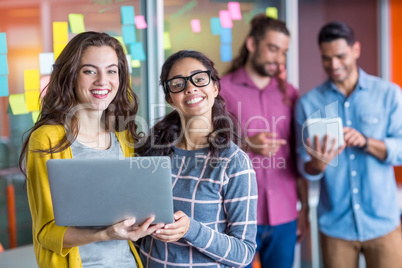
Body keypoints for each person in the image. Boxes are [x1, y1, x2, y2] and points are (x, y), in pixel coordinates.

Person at [19, 31, 162, 268]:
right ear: (71, 76)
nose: (102, 81)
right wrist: (104, 234)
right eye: (89, 71)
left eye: (111, 71)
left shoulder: (124, 136)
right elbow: (46, 233)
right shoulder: (47, 139)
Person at [136, 50, 258, 267]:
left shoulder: (234, 162)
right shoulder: (153, 152)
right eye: (178, 84)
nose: (190, 88)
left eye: (199, 79)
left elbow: (244, 253)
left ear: (215, 87)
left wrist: (191, 230)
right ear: (169, 98)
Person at [295, 21, 402, 268]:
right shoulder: (308, 104)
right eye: (326, 58)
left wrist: (366, 142)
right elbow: (301, 163)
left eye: (340, 56)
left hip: (383, 223)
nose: (333, 65)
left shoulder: (389, 94)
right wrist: (317, 165)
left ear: (356, 50)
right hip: (335, 228)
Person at [220, 14, 309, 268]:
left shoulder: (289, 93)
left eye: (283, 52)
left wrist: (305, 210)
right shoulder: (223, 91)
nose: (279, 58)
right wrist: (247, 144)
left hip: (285, 213)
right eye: (273, 49)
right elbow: (208, 145)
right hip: (237, 214)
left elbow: (297, 153)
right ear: (251, 45)